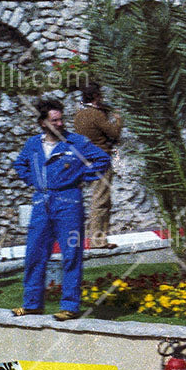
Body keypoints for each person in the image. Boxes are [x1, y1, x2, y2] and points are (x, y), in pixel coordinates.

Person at [12, 98, 109, 321]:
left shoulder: (76, 142)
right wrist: (33, 180)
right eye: (54, 120)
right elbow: (20, 164)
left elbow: (102, 159)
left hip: (69, 202)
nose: (60, 124)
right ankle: (32, 303)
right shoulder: (33, 144)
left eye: (61, 119)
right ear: (43, 123)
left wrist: (81, 177)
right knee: (35, 253)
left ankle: (70, 306)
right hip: (41, 203)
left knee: (71, 254)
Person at [71, 83, 122, 249]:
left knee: (98, 198)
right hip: (101, 158)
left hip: (87, 159)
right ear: (95, 97)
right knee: (101, 200)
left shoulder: (79, 115)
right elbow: (113, 133)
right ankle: (98, 240)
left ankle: (98, 238)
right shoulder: (96, 115)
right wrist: (118, 120)